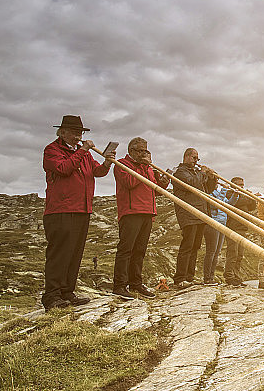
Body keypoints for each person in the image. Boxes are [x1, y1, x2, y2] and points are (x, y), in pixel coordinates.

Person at [41, 115, 115, 310]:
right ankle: (51, 296)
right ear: (62, 132)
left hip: (82, 209)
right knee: (59, 253)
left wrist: (107, 163)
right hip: (61, 210)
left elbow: (96, 172)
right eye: (74, 132)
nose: (78, 136)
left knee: (74, 253)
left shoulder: (83, 154)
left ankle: (67, 292)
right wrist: (82, 150)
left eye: (80, 133)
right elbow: (64, 169)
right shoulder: (52, 150)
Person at [112, 137, 170, 299]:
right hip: (131, 212)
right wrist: (144, 167)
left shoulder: (148, 168)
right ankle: (120, 285)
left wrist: (163, 182)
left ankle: (135, 283)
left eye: (145, 150)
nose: (143, 154)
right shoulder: (122, 164)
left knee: (139, 251)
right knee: (126, 250)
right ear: (131, 151)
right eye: (139, 151)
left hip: (147, 211)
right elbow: (130, 182)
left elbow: (154, 190)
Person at [172, 148, 217, 289]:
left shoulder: (196, 173)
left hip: (199, 213)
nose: (196, 161)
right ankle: (180, 278)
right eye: (194, 158)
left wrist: (212, 177)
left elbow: (207, 190)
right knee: (187, 245)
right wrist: (203, 173)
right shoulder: (180, 172)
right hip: (188, 213)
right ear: (186, 157)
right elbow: (193, 184)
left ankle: (189, 277)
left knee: (195, 246)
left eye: (197, 158)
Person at [223, 177, 257, 287]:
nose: (242, 187)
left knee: (240, 255)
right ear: (233, 185)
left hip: (242, 228)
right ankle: (229, 276)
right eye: (239, 184)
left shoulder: (242, 195)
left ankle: (236, 277)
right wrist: (247, 197)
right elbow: (237, 202)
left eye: (243, 184)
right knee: (233, 254)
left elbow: (251, 207)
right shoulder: (229, 194)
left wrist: (252, 199)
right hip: (233, 227)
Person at [203, 181, 235, 285]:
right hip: (213, 223)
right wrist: (224, 190)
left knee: (217, 253)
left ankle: (211, 277)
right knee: (211, 252)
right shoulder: (209, 192)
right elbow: (217, 204)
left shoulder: (217, 192)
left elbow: (228, 204)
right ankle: (207, 278)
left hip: (222, 224)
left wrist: (236, 195)